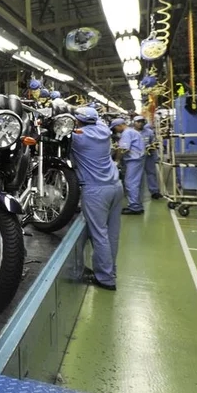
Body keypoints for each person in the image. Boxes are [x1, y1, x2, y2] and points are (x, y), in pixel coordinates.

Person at [70, 107, 123, 291]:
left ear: (77, 121)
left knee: (99, 235)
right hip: (116, 186)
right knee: (112, 234)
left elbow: (61, 136)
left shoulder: (78, 138)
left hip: (96, 190)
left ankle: (105, 279)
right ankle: (111, 270)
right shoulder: (104, 131)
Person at [111, 118, 146, 215]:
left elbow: (123, 149)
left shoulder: (126, 133)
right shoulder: (132, 131)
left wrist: (117, 161)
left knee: (131, 183)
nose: (115, 131)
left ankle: (134, 207)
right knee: (136, 183)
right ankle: (137, 205)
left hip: (133, 160)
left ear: (119, 125)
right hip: (137, 159)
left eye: (115, 128)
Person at [133, 115, 162, 199]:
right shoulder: (130, 132)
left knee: (151, 173)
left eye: (142, 121)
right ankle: (136, 192)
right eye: (138, 122)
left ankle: (154, 191)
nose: (140, 123)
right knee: (136, 175)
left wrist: (152, 147)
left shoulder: (149, 132)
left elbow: (154, 142)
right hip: (136, 157)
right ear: (134, 123)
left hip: (148, 156)